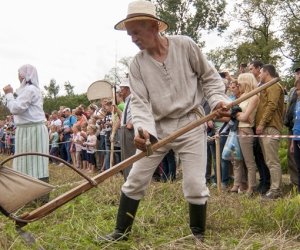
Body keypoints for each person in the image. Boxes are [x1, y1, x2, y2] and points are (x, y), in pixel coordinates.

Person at [98, 0, 230, 242]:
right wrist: (144, 131)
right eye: (130, 34)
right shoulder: (137, 64)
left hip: (191, 123)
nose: (133, 39)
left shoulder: (185, 46)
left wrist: (219, 100)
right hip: (157, 128)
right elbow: (139, 103)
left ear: (154, 26)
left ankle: (197, 236)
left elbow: (210, 78)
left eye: (137, 32)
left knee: (193, 183)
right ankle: (121, 232)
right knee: (135, 178)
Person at [3, 64, 49, 185]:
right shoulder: (28, 90)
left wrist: (8, 94)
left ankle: (39, 194)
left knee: (37, 163)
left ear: (25, 75)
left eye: (20, 73)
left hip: (33, 130)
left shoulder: (31, 90)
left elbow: (16, 108)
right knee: (25, 161)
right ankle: (25, 189)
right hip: (26, 130)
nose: (18, 76)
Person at [255, 64, 284, 199]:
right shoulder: (266, 86)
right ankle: (275, 188)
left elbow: (271, 106)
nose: (259, 75)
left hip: (270, 127)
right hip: (266, 127)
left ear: (266, 72)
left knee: (272, 161)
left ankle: (276, 190)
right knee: (269, 160)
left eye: (260, 72)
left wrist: (261, 124)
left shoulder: (273, 85)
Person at [248, 60, 270, 194]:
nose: (251, 71)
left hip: (262, 125)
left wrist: (262, 123)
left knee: (263, 155)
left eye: (252, 69)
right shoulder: (256, 86)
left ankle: (266, 182)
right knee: (257, 154)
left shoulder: (265, 86)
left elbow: (268, 106)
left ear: (258, 68)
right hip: (254, 125)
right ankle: (262, 180)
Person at [236, 73, 260, 196]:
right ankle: (244, 185)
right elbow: (239, 115)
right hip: (240, 130)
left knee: (249, 162)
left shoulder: (254, 96)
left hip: (246, 131)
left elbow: (245, 117)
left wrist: (236, 115)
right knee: (241, 161)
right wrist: (239, 116)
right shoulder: (244, 96)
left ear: (246, 81)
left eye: (240, 82)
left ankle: (252, 188)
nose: (238, 84)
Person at [119, 77, 136, 181]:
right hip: (124, 129)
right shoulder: (126, 101)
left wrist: (132, 123)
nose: (120, 91)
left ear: (127, 88)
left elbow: (138, 112)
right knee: (125, 156)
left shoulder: (133, 99)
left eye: (122, 88)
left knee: (130, 156)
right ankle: (127, 179)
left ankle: (131, 179)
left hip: (129, 130)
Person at [290, 78, 300, 193]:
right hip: (296, 137)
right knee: (298, 166)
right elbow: (295, 123)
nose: (297, 92)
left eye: (299, 89)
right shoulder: (297, 103)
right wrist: (293, 141)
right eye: (297, 89)